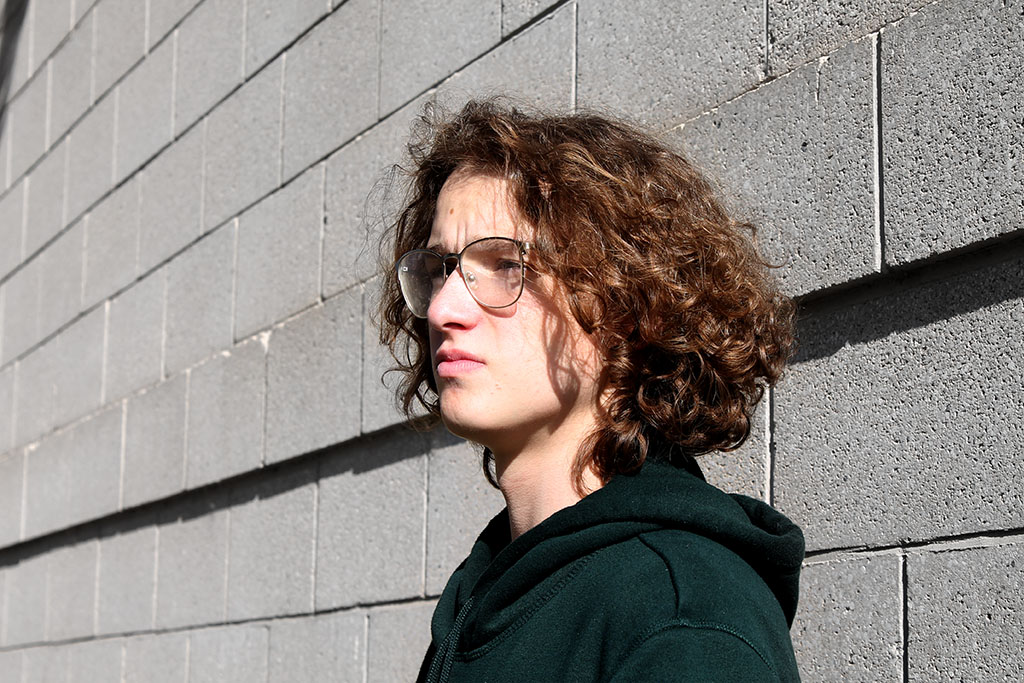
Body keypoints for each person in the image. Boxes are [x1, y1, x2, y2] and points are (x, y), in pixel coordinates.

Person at [377, 98, 804, 682]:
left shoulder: (681, 619)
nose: (443, 309)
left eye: (505, 265)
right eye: (439, 270)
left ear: (625, 304)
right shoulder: (486, 595)